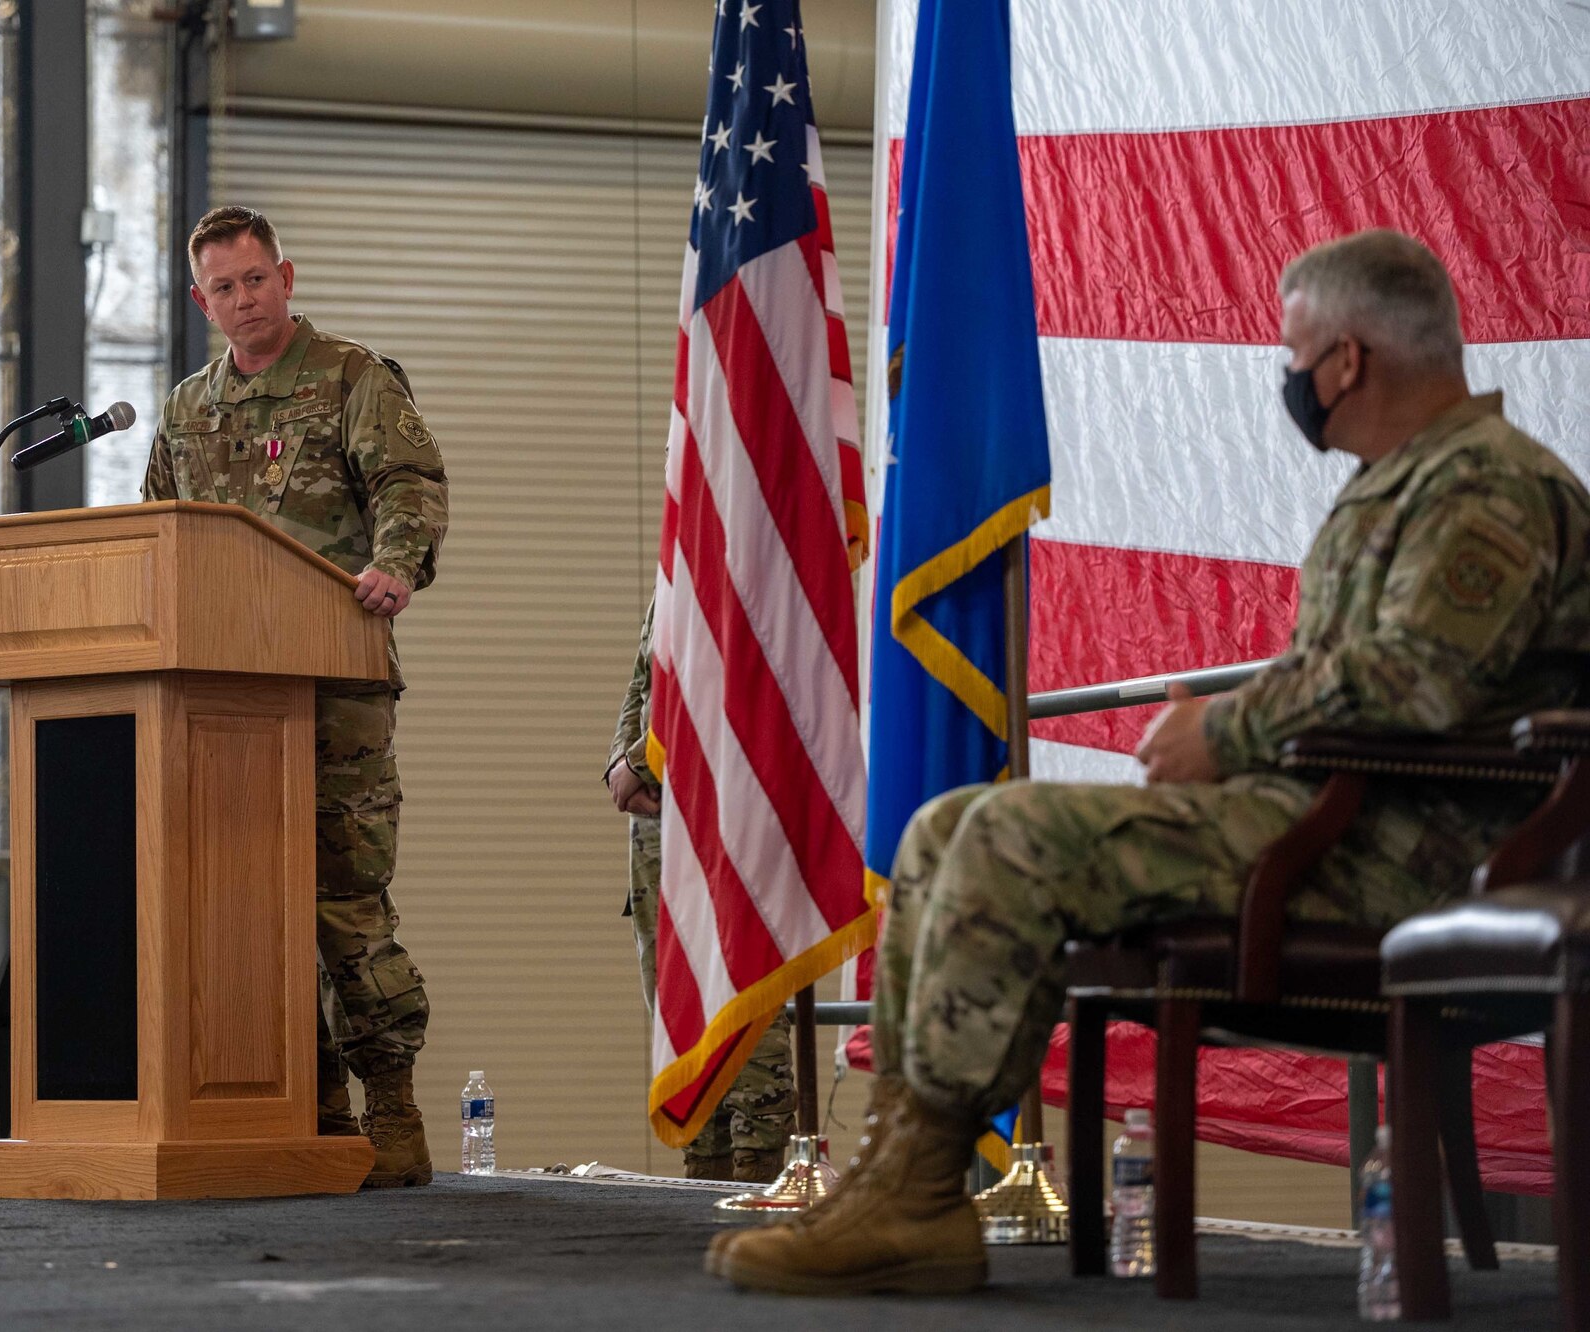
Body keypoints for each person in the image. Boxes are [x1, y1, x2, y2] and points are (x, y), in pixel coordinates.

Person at [712, 229, 1590, 1293]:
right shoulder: (1403, 480)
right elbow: (1368, 674)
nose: (1289, 379)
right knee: (945, 825)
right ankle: (904, 1173)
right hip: (1330, 820)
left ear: (1347, 360)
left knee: (1008, 835)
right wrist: (1235, 730)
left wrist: (1219, 731)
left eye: (1294, 352)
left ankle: (916, 1193)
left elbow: (1413, 683)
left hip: (1402, 854)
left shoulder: (1485, 486)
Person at [142, 206, 449, 1188]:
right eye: (223, 288)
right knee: (246, 906)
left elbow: (407, 483)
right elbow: (160, 534)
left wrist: (396, 564)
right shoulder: (187, 407)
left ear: (287, 275)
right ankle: (302, 1113)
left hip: (334, 686)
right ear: (202, 303)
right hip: (219, 700)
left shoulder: (353, 377)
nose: (244, 301)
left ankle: (390, 1110)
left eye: (256, 280)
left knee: (343, 900)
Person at [608, 600, 797, 1183]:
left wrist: (642, 760)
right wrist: (623, 758)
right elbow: (644, 679)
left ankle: (754, 1168)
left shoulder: (737, 533)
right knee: (680, 997)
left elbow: (733, 671)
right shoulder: (675, 562)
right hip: (659, 817)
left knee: (744, 988)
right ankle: (705, 1170)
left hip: (731, 800)